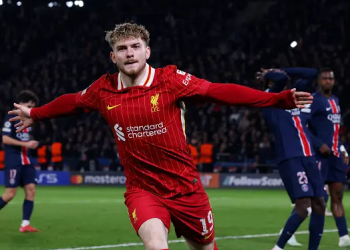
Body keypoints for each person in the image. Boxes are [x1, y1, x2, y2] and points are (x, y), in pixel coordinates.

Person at [9, 23, 312, 250]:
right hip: (144, 190)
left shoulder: (170, 80)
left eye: (135, 46)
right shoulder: (103, 89)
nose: (130, 53)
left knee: (206, 247)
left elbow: (219, 91)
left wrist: (276, 99)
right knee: (157, 246)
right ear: (113, 56)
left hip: (186, 189)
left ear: (147, 51)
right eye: (123, 49)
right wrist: (35, 114)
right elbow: (72, 101)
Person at [257, 68, 325, 250]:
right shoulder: (269, 99)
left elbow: (311, 73)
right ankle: (278, 248)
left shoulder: (293, 97)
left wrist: (281, 70)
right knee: (303, 207)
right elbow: (281, 78)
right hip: (290, 157)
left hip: (308, 155)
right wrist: (272, 73)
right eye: (272, 81)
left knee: (319, 203)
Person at [301, 68, 350, 247]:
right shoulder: (314, 100)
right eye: (325, 79)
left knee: (337, 196)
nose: (328, 81)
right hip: (320, 157)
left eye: (331, 78)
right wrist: (318, 144)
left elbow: (336, 132)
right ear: (319, 81)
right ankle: (288, 232)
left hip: (336, 157)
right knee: (315, 200)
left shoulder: (336, 101)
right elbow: (302, 125)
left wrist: (343, 149)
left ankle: (343, 236)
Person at [0, 90, 40, 232]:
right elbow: (5, 139)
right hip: (13, 160)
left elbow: (23, 138)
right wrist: (26, 144)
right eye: (28, 105)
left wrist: (30, 142)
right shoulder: (11, 116)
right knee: (10, 194)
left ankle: (25, 225)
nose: (30, 109)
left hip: (26, 160)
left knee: (31, 190)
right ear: (20, 104)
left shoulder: (27, 120)